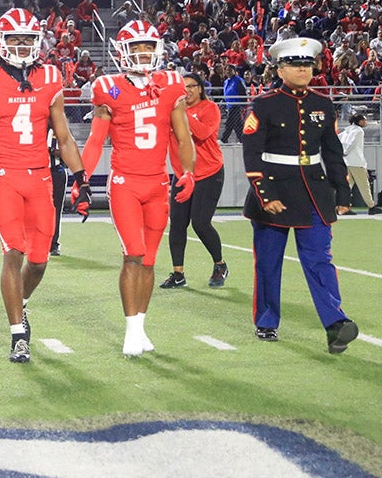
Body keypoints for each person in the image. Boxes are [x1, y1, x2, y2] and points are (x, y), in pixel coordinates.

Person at [0, 8, 90, 363]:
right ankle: (17, 333)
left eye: (27, 39)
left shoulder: (51, 77)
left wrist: (80, 177)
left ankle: (19, 303)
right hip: (6, 176)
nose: (22, 46)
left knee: (38, 261)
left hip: (40, 177)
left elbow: (63, 136)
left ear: (38, 42)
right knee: (13, 253)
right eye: (15, 39)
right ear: (2, 42)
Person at [80, 20, 196, 356]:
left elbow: (182, 136)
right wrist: (82, 178)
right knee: (132, 253)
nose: (143, 53)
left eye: (148, 46)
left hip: (158, 183)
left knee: (149, 259)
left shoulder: (171, 85)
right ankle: (130, 328)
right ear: (122, 52)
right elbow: (96, 139)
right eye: (136, 47)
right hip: (125, 183)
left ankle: (140, 326)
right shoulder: (108, 88)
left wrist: (186, 173)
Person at [242, 37, 358, 354]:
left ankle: (335, 325)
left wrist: (343, 192)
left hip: (313, 192)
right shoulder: (264, 105)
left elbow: (332, 152)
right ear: (280, 69)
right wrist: (264, 195)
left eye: (307, 64)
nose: (303, 69)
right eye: (295, 64)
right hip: (274, 192)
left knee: (320, 260)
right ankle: (266, 321)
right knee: (268, 263)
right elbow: (252, 154)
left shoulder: (323, 103)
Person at [161, 74, 229, 289]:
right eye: (183, 87)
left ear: (200, 88)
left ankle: (220, 264)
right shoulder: (172, 112)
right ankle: (178, 274)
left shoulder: (210, 108)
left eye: (192, 86)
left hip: (209, 172)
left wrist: (180, 111)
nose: (188, 90)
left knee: (200, 223)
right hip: (182, 175)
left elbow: (202, 133)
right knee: (177, 225)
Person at [338, 113, 382, 215]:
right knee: (364, 186)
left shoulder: (347, 130)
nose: (365, 122)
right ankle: (372, 207)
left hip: (347, 162)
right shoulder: (359, 131)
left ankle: (341, 207)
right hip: (357, 162)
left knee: (346, 186)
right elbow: (352, 143)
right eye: (364, 120)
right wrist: (345, 151)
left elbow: (338, 139)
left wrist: (342, 153)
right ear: (359, 121)